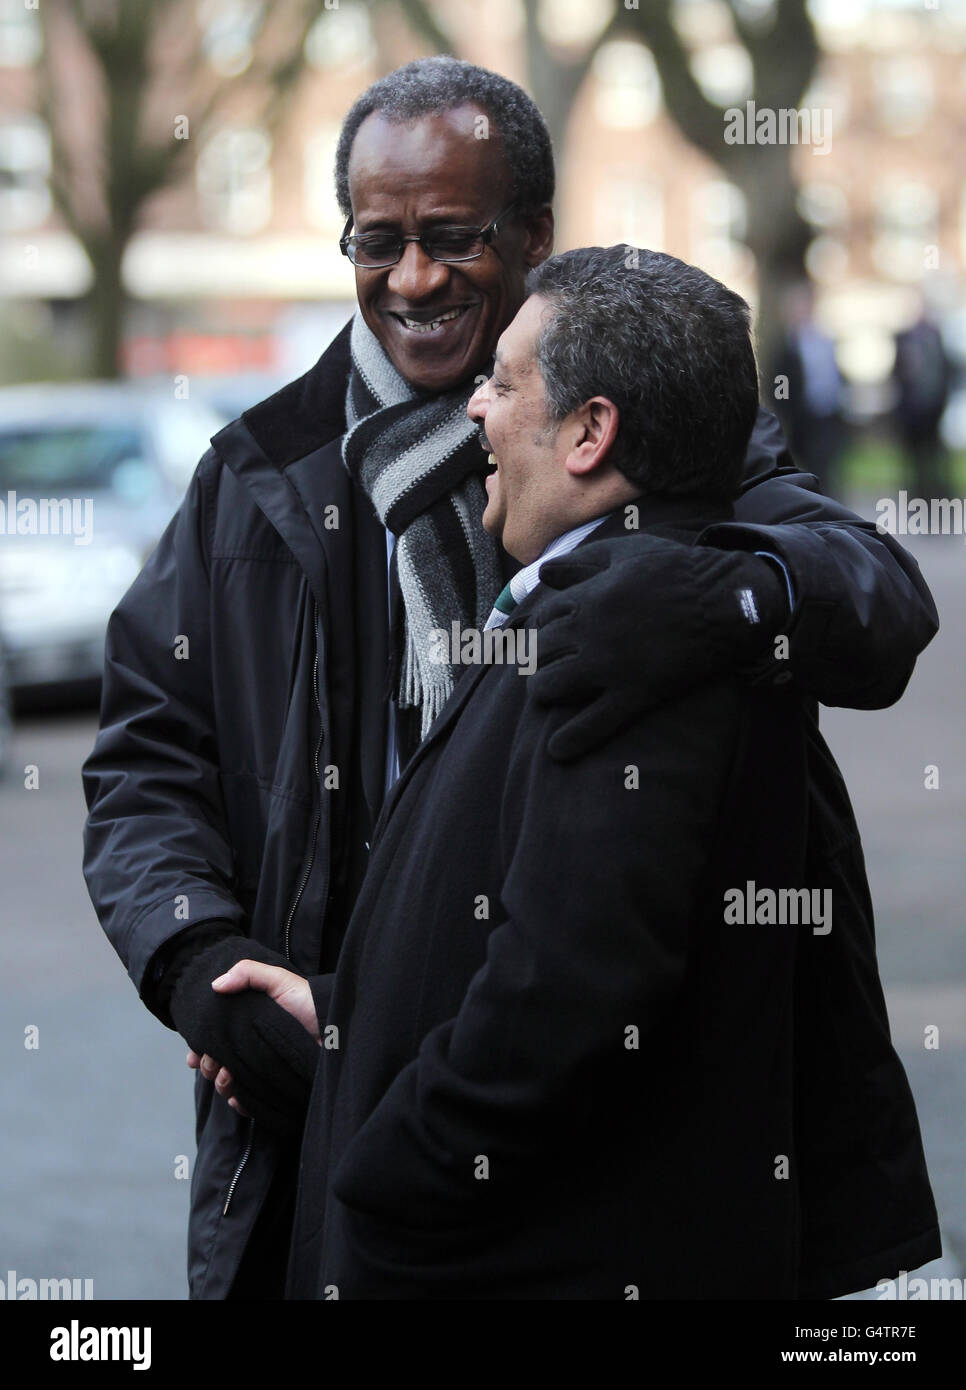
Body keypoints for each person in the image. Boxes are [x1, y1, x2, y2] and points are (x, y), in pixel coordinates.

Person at [81, 58, 938, 1301]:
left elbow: (876, 599)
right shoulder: (254, 472)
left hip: (602, 1139)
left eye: (454, 237)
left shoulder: (655, 433)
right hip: (315, 1100)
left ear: (534, 237)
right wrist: (200, 970)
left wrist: (726, 594)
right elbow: (147, 758)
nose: (414, 278)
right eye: (378, 242)